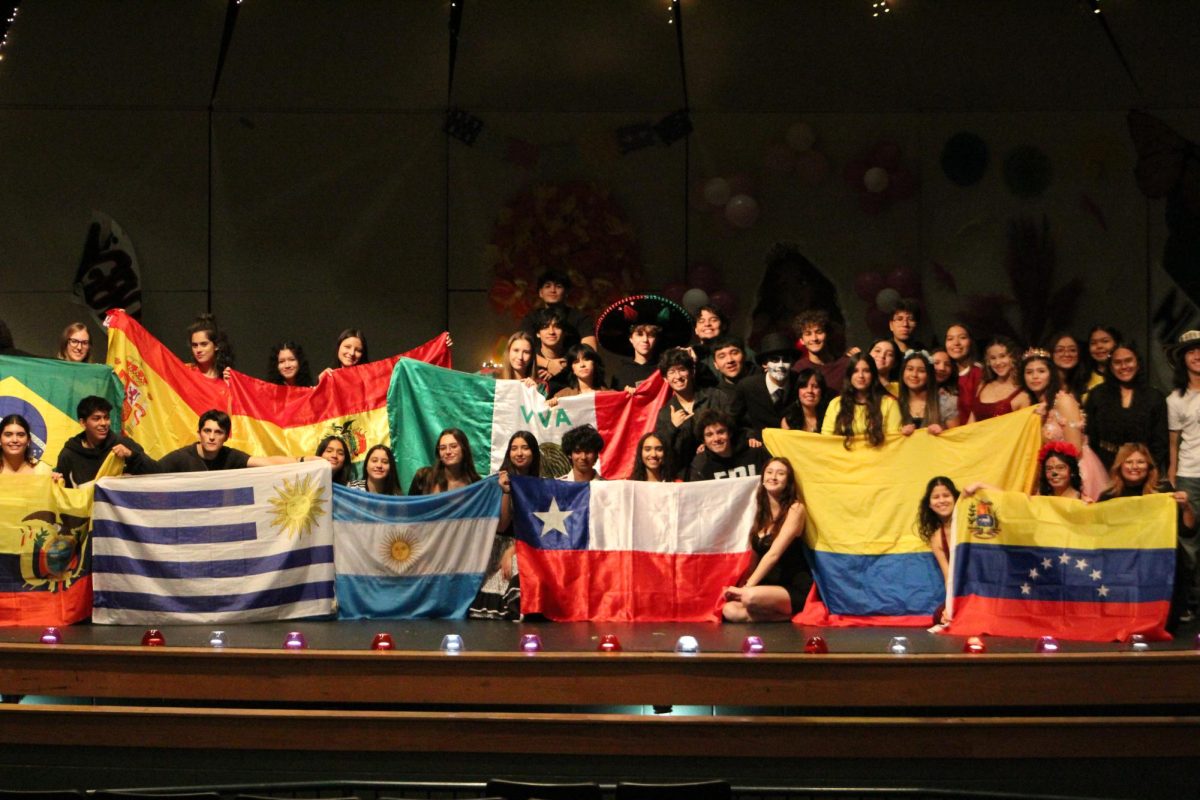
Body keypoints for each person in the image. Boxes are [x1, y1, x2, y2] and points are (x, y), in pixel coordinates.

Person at [1098, 442, 1195, 627]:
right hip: (1123, 563)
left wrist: (1185, 507)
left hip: (1157, 560)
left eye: (1141, 462)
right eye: (1129, 462)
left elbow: (1188, 530)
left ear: (1149, 466)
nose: (1135, 467)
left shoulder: (1163, 492)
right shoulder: (1108, 497)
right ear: (1120, 466)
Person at [721, 457, 812, 622]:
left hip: (792, 587)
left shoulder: (796, 509)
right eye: (769, 472)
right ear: (762, 478)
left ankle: (791, 613)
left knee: (749, 597)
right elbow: (754, 559)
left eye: (780, 473)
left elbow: (773, 554)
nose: (773, 477)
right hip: (766, 588)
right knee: (730, 610)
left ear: (788, 481)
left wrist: (746, 588)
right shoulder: (761, 514)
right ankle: (782, 618)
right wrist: (742, 585)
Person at [1020, 348, 1106, 499]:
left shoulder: (1063, 401)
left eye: (1041, 371)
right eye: (1029, 372)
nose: (1035, 376)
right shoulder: (1033, 405)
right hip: (1052, 473)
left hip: (1075, 471)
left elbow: (1076, 448)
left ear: (1051, 374)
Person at [472, 431, 540, 621]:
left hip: (527, 547)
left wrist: (514, 550)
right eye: (514, 448)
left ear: (534, 453)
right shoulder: (497, 482)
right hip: (499, 546)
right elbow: (502, 526)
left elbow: (538, 530)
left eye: (525, 448)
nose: (519, 453)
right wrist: (506, 492)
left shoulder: (541, 485)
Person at [1083, 343, 1168, 472]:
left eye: (1128, 361)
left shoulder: (1154, 397)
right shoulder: (1097, 395)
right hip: (1104, 466)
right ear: (1110, 367)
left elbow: (1160, 440)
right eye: (1117, 362)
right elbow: (1090, 435)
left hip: (1142, 469)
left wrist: (1150, 467)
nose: (1124, 366)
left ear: (1138, 363)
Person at [654, 348, 731, 479]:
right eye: (672, 372)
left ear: (692, 372)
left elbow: (734, 429)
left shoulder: (716, 396)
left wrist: (709, 443)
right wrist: (673, 427)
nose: (678, 376)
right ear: (665, 379)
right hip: (688, 479)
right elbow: (663, 452)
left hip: (723, 470)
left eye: (682, 370)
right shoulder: (665, 413)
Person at [55, 396, 160, 487]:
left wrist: (131, 455)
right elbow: (63, 496)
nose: (103, 423)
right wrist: (56, 482)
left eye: (106, 417)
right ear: (83, 423)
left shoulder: (124, 444)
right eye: (96, 418)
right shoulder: (69, 454)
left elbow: (156, 473)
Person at [158, 410, 310, 472]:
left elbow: (268, 462)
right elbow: (152, 472)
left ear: (225, 437)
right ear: (199, 434)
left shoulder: (230, 456)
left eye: (218, 432)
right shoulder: (181, 457)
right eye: (207, 431)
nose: (212, 437)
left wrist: (303, 460)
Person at [1167, 330, 1200, 619]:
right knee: (1189, 541)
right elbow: (1174, 442)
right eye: (1191, 351)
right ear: (1183, 359)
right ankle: (1189, 602)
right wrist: (1173, 474)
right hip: (1190, 473)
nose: (1197, 355)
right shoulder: (1176, 398)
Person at [597, 294, 693, 392]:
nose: (645, 340)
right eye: (639, 334)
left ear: (657, 339)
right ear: (631, 339)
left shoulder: (666, 369)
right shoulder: (620, 375)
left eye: (651, 335)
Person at [821, 354, 902, 449]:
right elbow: (826, 441)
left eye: (866, 371)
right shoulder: (836, 404)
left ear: (873, 374)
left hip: (878, 461)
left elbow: (894, 442)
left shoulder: (889, 403)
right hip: (843, 462)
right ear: (849, 375)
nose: (860, 376)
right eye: (855, 371)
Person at [735, 332, 799, 444]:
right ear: (764, 364)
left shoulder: (800, 383)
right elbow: (734, 420)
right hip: (760, 447)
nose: (780, 365)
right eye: (774, 360)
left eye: (785, 360)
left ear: (792, 363)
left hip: (793, 445)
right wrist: (749, 435)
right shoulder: (747, 386)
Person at [915, 476, 959, 623]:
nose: (941, 501)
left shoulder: (970, 525)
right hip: (961, 594)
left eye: (946, 495)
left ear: (956, 498)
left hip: (985, 590)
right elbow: (949, 579)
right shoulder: (936, 538)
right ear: (929, 504)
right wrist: (951, 606)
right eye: (936, 497)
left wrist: (980, 485)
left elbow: (1001, 499)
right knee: (940, 616)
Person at [518, 268, 596, 350]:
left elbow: (590, 352)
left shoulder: (581, 318)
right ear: (540, 293)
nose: (553, 290)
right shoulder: (531, 318)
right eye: (547, 286)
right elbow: (522, 350)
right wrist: (551, 363)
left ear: (566, 292)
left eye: (558, 286)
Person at [688, 408, 770, 481]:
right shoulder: (700, 464)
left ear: (730, 433)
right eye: (709, 435)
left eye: (721, 432)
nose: (716, 439)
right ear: (704, 440)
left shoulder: (755, 453)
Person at [966, 336, 1026, 423]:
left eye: (1002, 356)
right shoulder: (982, 386)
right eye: (993, 358)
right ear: (988, 361)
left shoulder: (1023, 395)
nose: (998, 362)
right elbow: (970, 425)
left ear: (1013, 358)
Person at [898, 350, 957, 435]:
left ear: (929, 375)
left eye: (921, 371)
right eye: (910, 369)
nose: (914, 374)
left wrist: (943, 431)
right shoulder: (895, 401)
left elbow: (956, 437)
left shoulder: (945, 402)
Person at [790, 308, 850, 391]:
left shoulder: (845, 364)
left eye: (819, 332)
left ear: (827, 335)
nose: (814, 338)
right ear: (801, 340)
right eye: (808, 334)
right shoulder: (798, 370)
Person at [412, 428, 481, 494]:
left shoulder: (477, 484)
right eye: (443, 448)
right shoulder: (423, 477)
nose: (448, 452)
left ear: (464, 449)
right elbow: (410, 504)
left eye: (454, 446)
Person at [945, 323, 982, 422]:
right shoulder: (943, 373)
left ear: (970, 341)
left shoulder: (979, 373)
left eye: (962, 337)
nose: (956, 343)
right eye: (950, 339)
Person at [532, 307, 571, 396]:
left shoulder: (574, 360)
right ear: (538, 333)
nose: (551, 332)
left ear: (564, 332)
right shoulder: (529, 360)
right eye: (545, 327)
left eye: (557, 327)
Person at [701, 333, 754, 400]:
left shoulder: (764, 380)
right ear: (715, 364)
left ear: (745, 355)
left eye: (734, 353)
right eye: (722, 356)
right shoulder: (717, 397)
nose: (729, 360)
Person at [186, 313, 234, 380]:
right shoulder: (184, 372)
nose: (198, 350)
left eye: (204, 344)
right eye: (194, 345)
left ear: (216, 345)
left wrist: (230, 386)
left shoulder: (226, 378)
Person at [781, 367, 830, 433]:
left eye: (815, 386)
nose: (809, 391)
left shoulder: (831, 418)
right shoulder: (789, 421)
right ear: (797, 391)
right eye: (804, 386)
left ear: (822, 391)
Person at [1046, 332, 1089, 401]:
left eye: (1072, 350)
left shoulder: (1084, 382)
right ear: (1051, 354)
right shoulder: (1044, 383)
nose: (1067, 354)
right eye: (1060, 350)